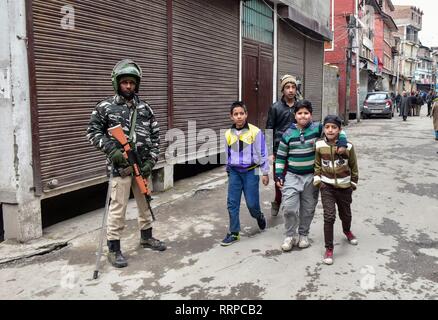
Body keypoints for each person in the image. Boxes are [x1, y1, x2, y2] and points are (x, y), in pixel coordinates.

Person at [86, 59, 166, 268]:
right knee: (118, 208)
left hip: (142, 168)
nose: (129, 86)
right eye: (125, 82)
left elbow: (156, 136)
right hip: (119, 168)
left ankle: (146, 237)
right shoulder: (105, 107)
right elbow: (92, 132)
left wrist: (151, 161)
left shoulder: (145, 108)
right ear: (117, 83)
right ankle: (114, 249)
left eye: (132, 82)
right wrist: (112, 151)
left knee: (145, 203)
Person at [275, 100, 347, 251]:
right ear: (295, 115)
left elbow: (335, 129)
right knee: (289, 207)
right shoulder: (287, 134)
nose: (303, 116)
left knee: (308, 208)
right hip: (292, 176)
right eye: (299, 113)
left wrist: (342, 140)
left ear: (311, 115)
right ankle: (290, 235)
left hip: (312, 176)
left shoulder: (318, 128)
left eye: (306, 113)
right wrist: (279, 175)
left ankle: (303, 234)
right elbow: (281, 156)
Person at [221, 101, 269, 246]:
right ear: (231, 117)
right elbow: (227, 153)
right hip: (235, 172)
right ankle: (234, 232)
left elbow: (263, 152)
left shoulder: (255, 132)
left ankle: (258, 215)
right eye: (236, 114)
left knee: (252, 203)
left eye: (241, 113)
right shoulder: (228, 134)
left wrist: (265, 172)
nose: (239, 117)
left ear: (246, 115)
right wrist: (228, 169)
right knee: (232, 203)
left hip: (251, 171)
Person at [313, 115, 359, 265]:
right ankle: (329, 248)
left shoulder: (349, 147)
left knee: (345, 214)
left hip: (345, 187)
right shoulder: (319, 145)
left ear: (340, 130)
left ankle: (347, 230)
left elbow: (353, 166)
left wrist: (353, 183)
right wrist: (318, 180)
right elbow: (317, 164)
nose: (330, 130)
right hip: (327, 187)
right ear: (324, 129)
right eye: (327, 127)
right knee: (329, 216)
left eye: (334, 127)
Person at [266, 75, 300, 217]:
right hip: (279, 150)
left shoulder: (300, 106)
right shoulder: (275, 108)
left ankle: (292, 206)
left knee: (296, 178)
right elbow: (269, 129)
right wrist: (269, 152)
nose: (291, 90)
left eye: (293, 87)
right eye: (287, 87)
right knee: (279, 179)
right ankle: (277, 200)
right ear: (283, 90)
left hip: (297, 149)